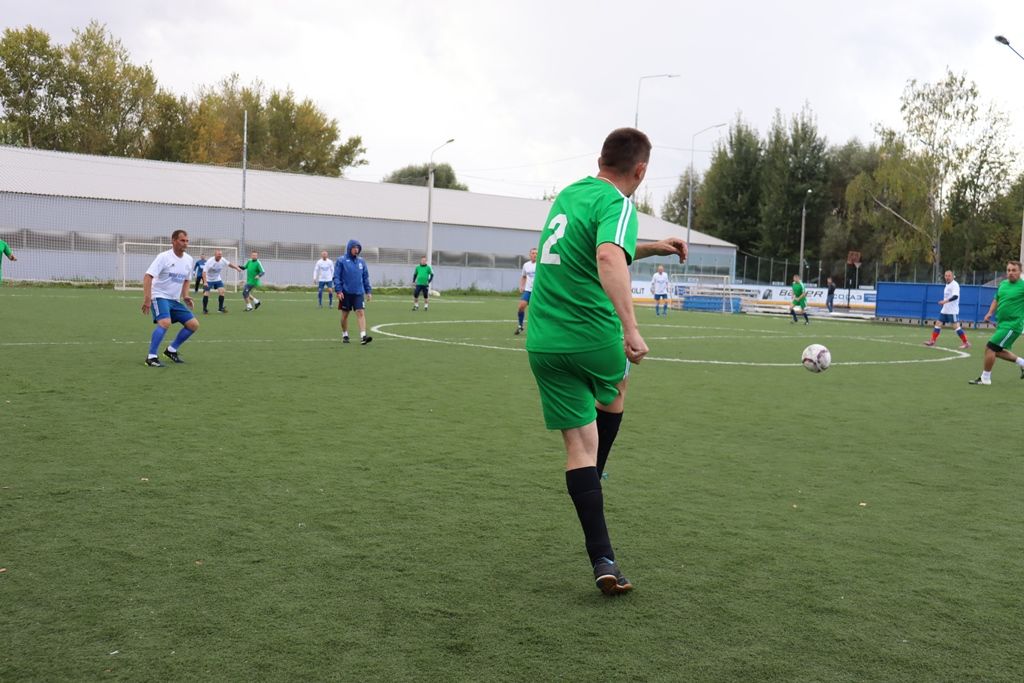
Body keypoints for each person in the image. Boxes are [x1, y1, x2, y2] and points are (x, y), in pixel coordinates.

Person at [526, 127, 687, 595]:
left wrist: (654, 247)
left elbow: (597, 246)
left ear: (600, 160)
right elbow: (607, 256)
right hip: (591, 336)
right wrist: (631, 328)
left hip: (543, 342)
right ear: (641, 170)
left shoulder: (569, 195)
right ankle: (594, 481)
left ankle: (603, 557)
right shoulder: (619, 203)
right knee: (616, 387)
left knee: (578, 448)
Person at [141, 229, 199, 367]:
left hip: (174, 300)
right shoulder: (164, 257)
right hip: (159, 296)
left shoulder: (189, 259)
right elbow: (148, 276)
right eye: (182, 240)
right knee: (165, 322)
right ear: (173, 241)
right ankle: (151, 357)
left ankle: (171, 350)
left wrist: (185, 295)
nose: (185, 243)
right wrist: (147, 299)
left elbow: (186, 280)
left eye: (187, 241)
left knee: (193, 325)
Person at [969, 260, 1024, 385]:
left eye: (1014, 270)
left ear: (1020, 272)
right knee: (996, 351)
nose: (1010, 273)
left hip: (1013, 325)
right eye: (1008, 270)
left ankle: (985, 378)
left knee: (990, 348)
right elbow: (996, 299)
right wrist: (989, 313)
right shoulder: (1003, 284)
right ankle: (1022, 363)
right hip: (1002, 324)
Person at [333, 239, 373, 345]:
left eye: (358, 248)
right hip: (345, 293)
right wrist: (338, 290)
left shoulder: (361, 261)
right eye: (354, 248)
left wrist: (368, 291)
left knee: (360, 312)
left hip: (358, 293)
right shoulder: (341, 260)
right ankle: (345, 334)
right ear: (349, 248)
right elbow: (336, 277)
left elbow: (365, 277)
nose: (356, 250)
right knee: (345, 315)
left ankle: (363, 336)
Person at [924, 270, 970, 349]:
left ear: (952, 276)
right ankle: (932, 341)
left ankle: (966, 343)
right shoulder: (947, 285)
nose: (947, 277)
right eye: (946, 276)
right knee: (938, 323)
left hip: (952, 311)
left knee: (956, 327)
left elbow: (955, 296)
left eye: (949, 276)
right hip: (945, 310)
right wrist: (945, 303)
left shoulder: (955, 285)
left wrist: (944, 301)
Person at [201, 249, 242, 314]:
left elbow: (229, 264)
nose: (220, 256)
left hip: (217, 278)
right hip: (209, 279)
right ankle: (204, 309)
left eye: (220, 254)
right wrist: (205, 282)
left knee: (222, 291)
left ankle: (220, 309)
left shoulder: (222, 260)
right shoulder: (210, 261)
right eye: (218, 254)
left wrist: (236, 268)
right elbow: (204, 272)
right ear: (215, 255)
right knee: (206, 293)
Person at [515, 247, 537, 334]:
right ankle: (520, 326)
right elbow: (524, 276)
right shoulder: (526, 265)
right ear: (530, 255)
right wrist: (521, 286)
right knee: (521, 307)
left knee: (536, 310)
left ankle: (538, 329)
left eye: (536, 253)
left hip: (537, 291)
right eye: (533, 253)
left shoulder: (540, 265)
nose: (535, 255)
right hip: (528, 290)